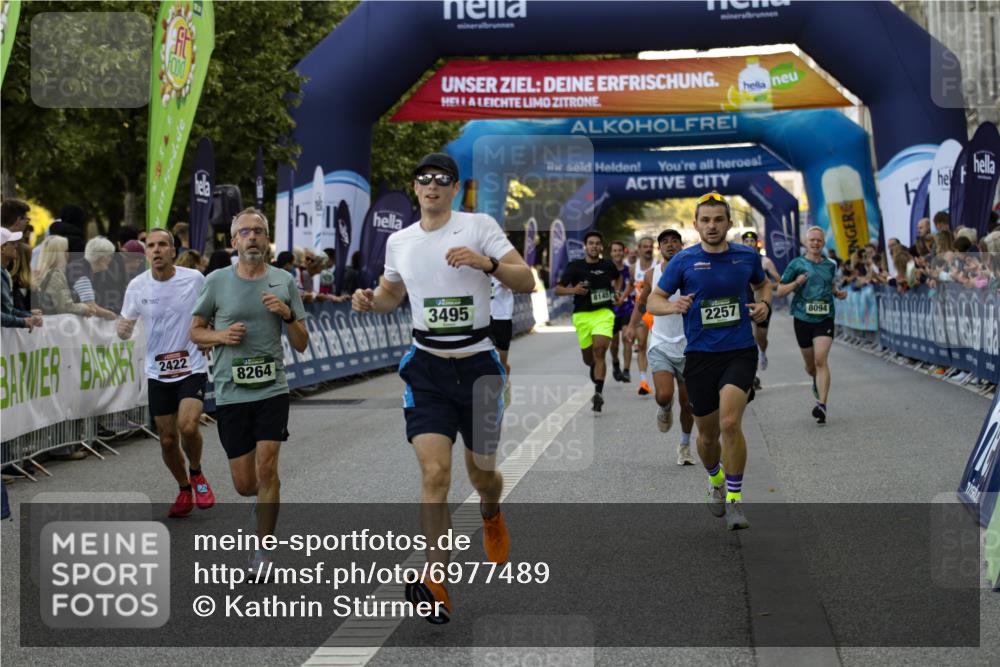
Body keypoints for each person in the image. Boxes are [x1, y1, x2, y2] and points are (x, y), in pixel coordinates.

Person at [352, 152, 533, 624]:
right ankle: (436, 581)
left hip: (478, 366)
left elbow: (526, 278)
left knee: (481, 474)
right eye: (423, 179)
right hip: (426, 368)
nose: (431, 186)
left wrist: (487, 262)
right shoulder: (400, 241)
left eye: (442, 180)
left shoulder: (478, 226)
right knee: (435, 475)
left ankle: (491, 512)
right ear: (415, 187)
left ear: (454, 188)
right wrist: (371, 301)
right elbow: (393, 293)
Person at [191, 208, 308, 571]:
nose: (253, 237)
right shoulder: (216, 282)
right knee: (245, 484)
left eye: (259, 231)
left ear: (267, 239)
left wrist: (288, 314)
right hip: (231, 392)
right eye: (246, 232)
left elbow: (302, 343)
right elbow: (195, 332)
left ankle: (263, 550)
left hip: (272, 388)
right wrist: (221, 335)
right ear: (233, 240)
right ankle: (264, 501)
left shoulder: (283, 281)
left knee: (268, 466)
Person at [647, 193, 772, 531]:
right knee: (707, 438)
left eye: (718, 219)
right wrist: (672, 306)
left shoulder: (747, 256)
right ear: (696, 225)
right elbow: (653, 299)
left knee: (730, 423)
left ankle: (734, 499)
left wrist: (764, 306)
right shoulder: (684, 261)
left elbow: (763, 286)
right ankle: (715, 477)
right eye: (706, 220)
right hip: (700, 356)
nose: (712, 225)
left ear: (729, 223)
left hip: (739, 351)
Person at [117, 228, 216, 518]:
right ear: (145, 252)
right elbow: (125, 324)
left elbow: (211, 309)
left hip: (191, 365)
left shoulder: (194, 279)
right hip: (158, 371)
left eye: (163, 245)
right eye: (151, 246)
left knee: (187, 426)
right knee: (167, 439)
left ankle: (197, 473)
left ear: (173, 251)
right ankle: (184, 488)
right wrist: (122, 330)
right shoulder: (137, 286)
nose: (157, 250)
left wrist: (208, 330)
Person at [625, 228, 695, 464]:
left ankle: (684, 445)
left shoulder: (693, 272)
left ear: (681, 246)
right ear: (659, 248)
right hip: (661, 343)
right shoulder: (651, 275)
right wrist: (633, 326)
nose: (670, 245)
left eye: (675, 241)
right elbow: (642, 302)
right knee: (664, 395)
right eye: (665, 242)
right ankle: (665, 408)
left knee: (688, 403)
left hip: (689, 346)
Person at [775, 227, 846, 425]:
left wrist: (837, 293)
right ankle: (815, 379)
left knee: (821, 359)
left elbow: (830, 285)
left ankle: (821, 405)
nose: (815, 243)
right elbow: (780, 291)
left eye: (819, 240)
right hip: (802, 318)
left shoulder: (830, 265)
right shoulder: (796, 264)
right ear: (806, 243)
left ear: (823, 243)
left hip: (825, 317)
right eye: (812, 240)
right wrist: (796, 283)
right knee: (810, 365)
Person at [555, 231, 622, 412]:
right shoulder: (575, 266)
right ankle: (594, 367)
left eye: (597, 243)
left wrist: (616, 293)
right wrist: (574, 290)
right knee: (589, 359)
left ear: (601, 247)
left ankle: (598, 393)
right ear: (586, 246)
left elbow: (618, 278)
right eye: (591, 243)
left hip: (604, 313)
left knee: (599, 351)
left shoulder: (608, 265)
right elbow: (558, 289)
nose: (594, 246)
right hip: (582, 315)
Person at [739, 230, 781, 384]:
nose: (749, 244)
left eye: (752, 241)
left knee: (761, 338)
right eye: (746, 242)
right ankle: (753, 375)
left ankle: (763, 352)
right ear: (743, 243)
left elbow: (779, 281)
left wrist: (766, 286)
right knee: (752, 338)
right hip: (747, 304)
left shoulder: (765, 261)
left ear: (756, 243)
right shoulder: (739, 260)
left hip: (762, 304)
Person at [34, 235, 93, 317]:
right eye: (66, 251)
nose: (68, 254)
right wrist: (85, 308)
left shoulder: (41, 273)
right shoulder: (56, 275)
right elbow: (65, 307)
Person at [66, 237, 118, 320]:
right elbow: (90, 306)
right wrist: (111, 315)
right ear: (102, 258)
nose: (111, 260)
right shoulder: (81, 273)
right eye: (110, 256)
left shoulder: (80, 267)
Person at [1, 227, 42, 330]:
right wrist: (23, 321)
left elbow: (7, 309)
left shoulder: (4, 273)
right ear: (2, 248)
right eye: (13, 243)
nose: (16, 246)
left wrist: (27, 315)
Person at [630, 236, 656, 393]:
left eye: (650, 246)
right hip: (641, 310)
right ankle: (643, 382)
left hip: (656, 311)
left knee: (658, 346)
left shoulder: (658, 266)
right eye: (645, 246)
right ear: (639, 248)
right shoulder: (633, 268)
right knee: (641, 345)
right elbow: (629, 286)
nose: (648, 249)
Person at [607, 240, 635, 383]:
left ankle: (626, 370)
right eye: (614, 250)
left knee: (627, 338)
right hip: (611, 310)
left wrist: (622, 298)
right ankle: (616, 363)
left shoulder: (629, 269)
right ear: (611, 253)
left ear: (623, 252)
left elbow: (631, 286)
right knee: (614, 343)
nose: (617, 253)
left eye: (619, 250)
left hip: (626, 308)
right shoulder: (606, 269)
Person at [490, 275, 515, 406]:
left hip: (502, 317)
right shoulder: (475, 267)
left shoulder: (501, 265)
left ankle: (504, 385)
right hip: (482, 317)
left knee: (501, 362)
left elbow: (517, 285)